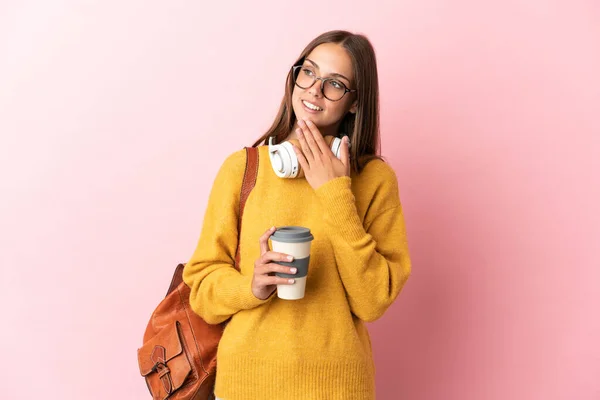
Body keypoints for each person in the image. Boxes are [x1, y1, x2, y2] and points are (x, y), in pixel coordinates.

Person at [183, 30, 412, 400]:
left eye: (335, 84)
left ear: (355, 103)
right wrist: (251, 286)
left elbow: (372, 301)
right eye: (308, 72)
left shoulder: (373, 180)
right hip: (245, 386)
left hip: (338, 389)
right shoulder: (243, 169)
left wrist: (334, 192)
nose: (314, 91)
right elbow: (202, 291)